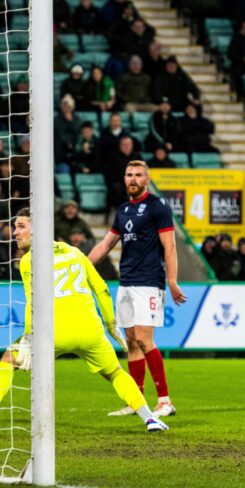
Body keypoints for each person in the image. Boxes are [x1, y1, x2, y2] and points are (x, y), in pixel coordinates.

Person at [0, 208, 167, 433]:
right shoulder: (75, 252)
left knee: (7, 360)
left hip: (53, 333)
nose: (15, 232)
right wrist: (111, 326)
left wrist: (27, 338)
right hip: (90, 331)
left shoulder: (28, 261)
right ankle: (150, 419)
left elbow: (32, 302)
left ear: (39, 231)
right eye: (16, 227)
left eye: (21, 227)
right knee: (115, 373)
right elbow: (101, 288)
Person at [89, 161, 186, 418]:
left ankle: (165, 401)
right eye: (129, 175)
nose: (133, 179)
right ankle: (137, 401)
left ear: (147, 179)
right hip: (127, 282)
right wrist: (82, 267)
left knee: (144, 340)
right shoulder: (122, 210)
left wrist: (172, 281)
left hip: (149, 282)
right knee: (131, 342)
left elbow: (170, 247)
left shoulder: (157, 208)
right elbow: (106, 245)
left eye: (138, 175)